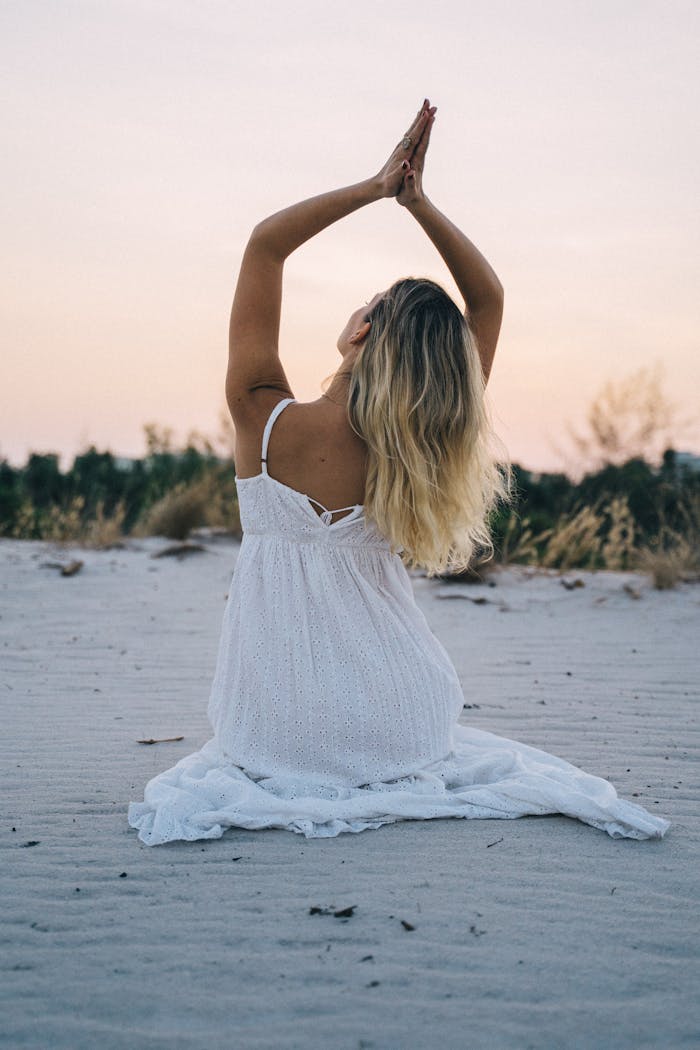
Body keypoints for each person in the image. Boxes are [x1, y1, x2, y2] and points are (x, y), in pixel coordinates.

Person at [128, 100, 670, 845]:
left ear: (361, 329)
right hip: (403, 723)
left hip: (276, 734)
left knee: (259, 738)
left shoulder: (264, 420)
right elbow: (489, 300)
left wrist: (378, 188)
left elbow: (264, 247)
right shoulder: (422, 449)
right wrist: (421, 205)